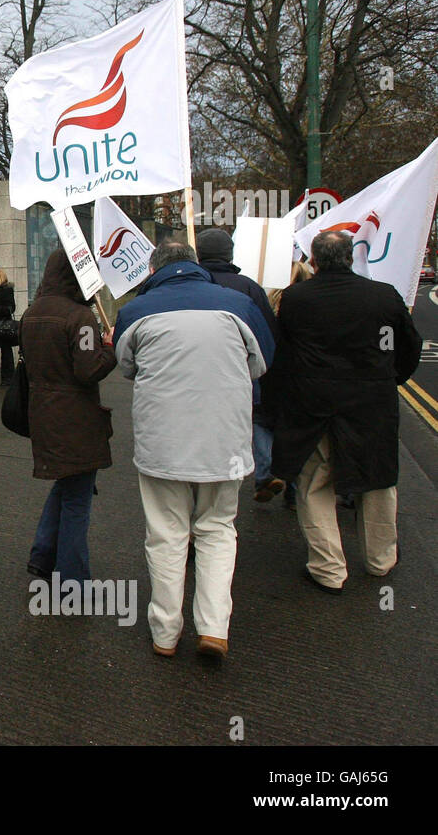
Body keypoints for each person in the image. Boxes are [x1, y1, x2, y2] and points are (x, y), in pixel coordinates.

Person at [113, 241, 273, 659]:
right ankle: (214, 629)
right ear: (195, 265)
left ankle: (165, 632)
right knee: (217, 531)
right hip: (225, 441)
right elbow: (263, 362)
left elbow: (126, 367)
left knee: (166, 536)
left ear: (153, 269)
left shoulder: (135, 311)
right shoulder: (238, 304)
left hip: (162, 444)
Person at [269, 231, 421, 593]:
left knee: (315, 484)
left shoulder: (296, 299)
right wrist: (391, 378)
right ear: (351, 257)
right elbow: (408, 346)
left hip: (313, 403)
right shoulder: (384, 295)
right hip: (372, 402)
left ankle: (328, 568)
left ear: (315, 261)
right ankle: (380, 560)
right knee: (378, 482)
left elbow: (283, 353)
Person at [21, 250, 116, 582]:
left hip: (43, 414)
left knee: (67, 485)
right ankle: (73, 581)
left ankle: (43, 555)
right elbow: (88, 370)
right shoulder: (80, 316)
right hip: (76, 419)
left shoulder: (32, 313)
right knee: (78, 499)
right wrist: (110, 348)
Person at [195, 228, 283, 502]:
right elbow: (268, 334)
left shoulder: (191, 285)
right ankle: (257, 473)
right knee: (250, 421)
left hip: (195, 376)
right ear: (230, 254)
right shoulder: (248, 287)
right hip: (241, 375)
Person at [267, 260, 314, 509]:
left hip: (274, 376)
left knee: (266, 425)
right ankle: (294, 489)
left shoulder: (271, 304)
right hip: (304, 380)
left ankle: (270, 472)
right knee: (300, 436)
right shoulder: (315, 305)